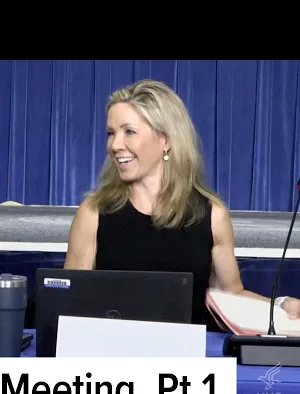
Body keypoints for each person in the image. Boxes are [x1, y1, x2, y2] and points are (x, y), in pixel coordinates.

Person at [63, 79, 300, 331]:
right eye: (111, 133)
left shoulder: (212, 215)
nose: (115, 145)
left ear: (165, 140)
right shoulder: (93, 213)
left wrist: (281, 306)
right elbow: (69, 301)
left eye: (129, 132)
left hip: (189, 353)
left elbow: (231, 295)